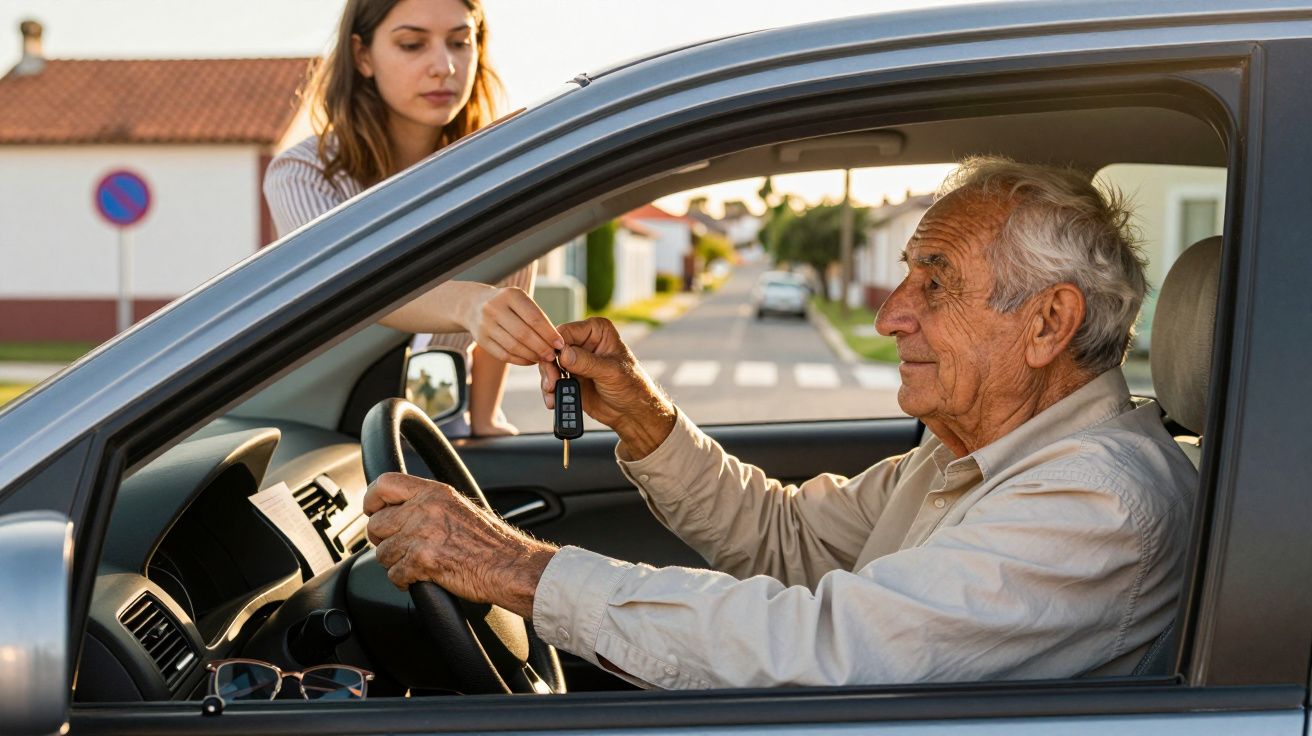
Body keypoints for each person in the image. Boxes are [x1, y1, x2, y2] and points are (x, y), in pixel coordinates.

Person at [361, 157, 1198, 688]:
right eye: (904, 276)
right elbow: (787, 540)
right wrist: (643, 416)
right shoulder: (975, 454)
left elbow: (823, 650)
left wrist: (514, 568)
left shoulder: (1098, 504)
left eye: (933, 283)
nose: (891, 315)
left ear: (1048, 323)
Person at [264, 0, 559, 436]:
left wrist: (485, 420)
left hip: (440, 430)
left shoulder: (493, 175)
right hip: (322, 438)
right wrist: (468, 303)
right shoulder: (304, 174)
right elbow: (347, 281)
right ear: (362, 56)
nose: (444, 66)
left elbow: (508, 288)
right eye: (412, 44)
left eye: (459, 42)